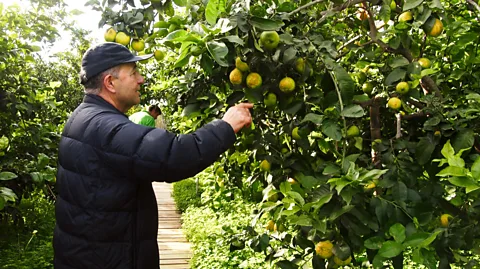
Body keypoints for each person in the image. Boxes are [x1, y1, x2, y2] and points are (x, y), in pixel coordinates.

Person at [53, 42, 253, 269]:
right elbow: (172, 156)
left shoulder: (84, 116)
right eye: (134, 73)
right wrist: (226, 126)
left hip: (90, 254)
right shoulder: (105, 126)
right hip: (107, 259)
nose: (141, 79)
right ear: (110, 83)